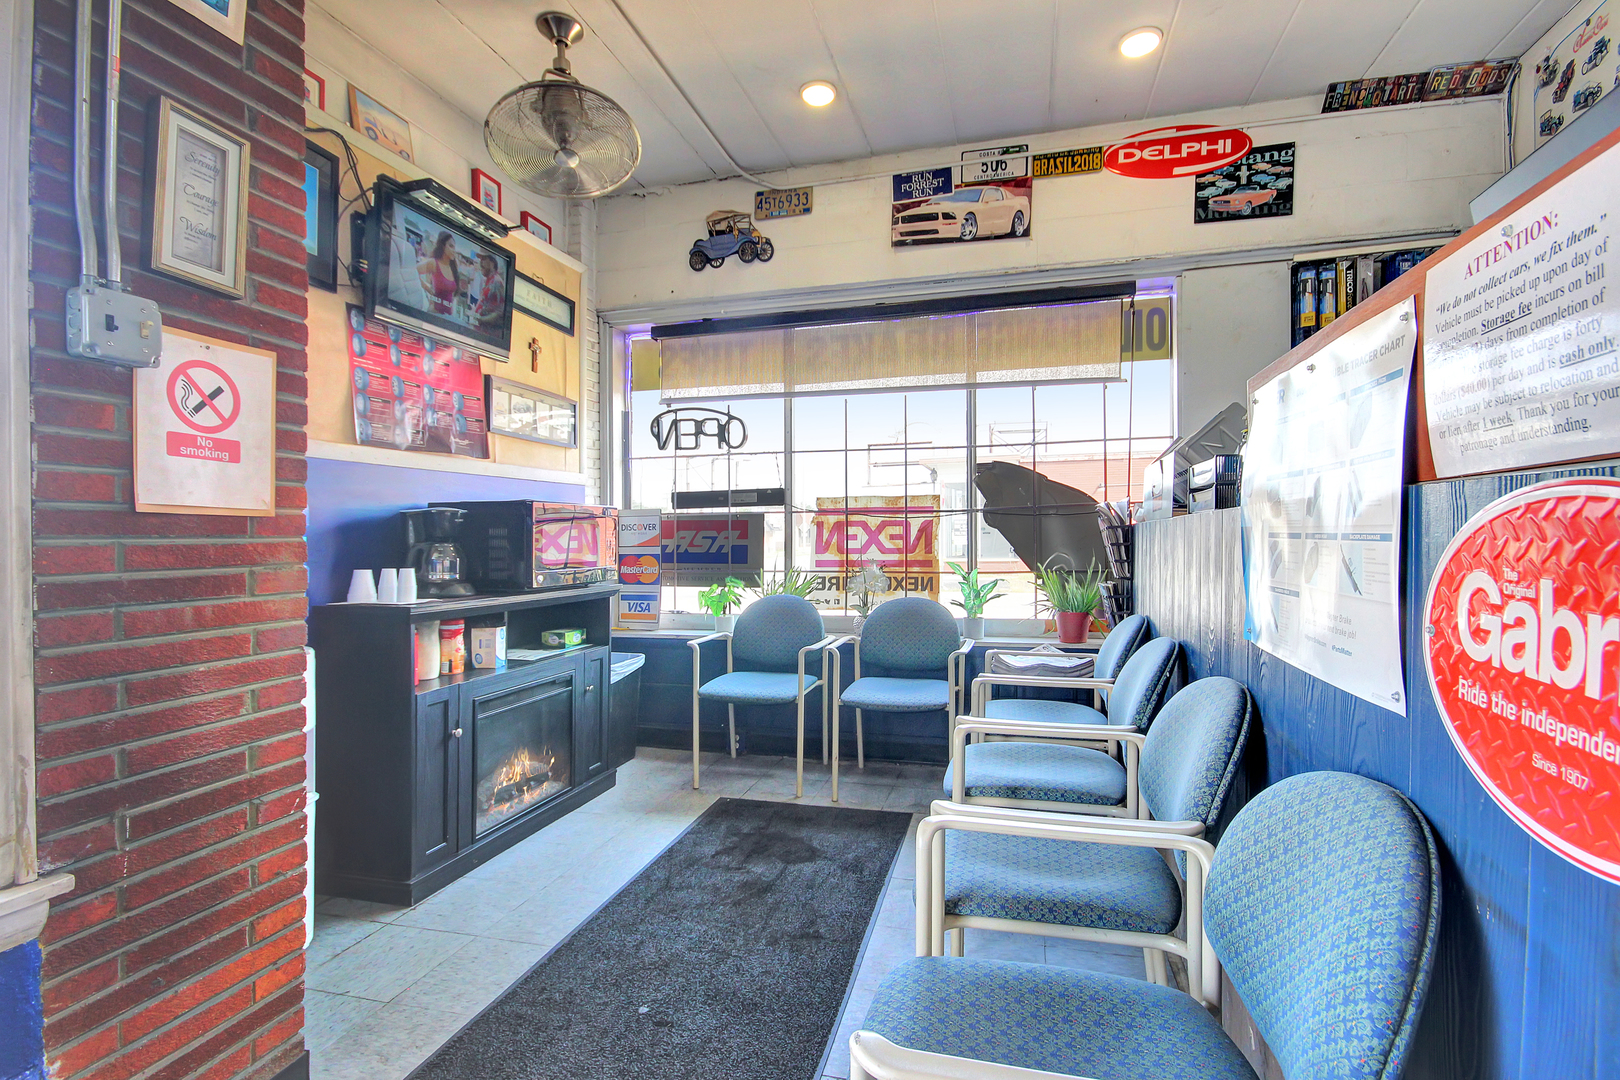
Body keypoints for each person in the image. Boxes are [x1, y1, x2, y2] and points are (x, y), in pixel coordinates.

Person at [418, 232, 460, 315]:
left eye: (454, 247)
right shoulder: (434, 263)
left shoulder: (453, 267)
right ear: (443, 246)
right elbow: (412, 270)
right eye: (451, 246)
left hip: (448, 317)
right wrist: (427, 288)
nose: (453, 250)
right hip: (434, 314)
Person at [470, 252, 505, 327]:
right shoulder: (488, 280)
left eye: (484, 259)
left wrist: (481, 320)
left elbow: (500, 312)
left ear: (492, 263)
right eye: (480, 259)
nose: (481, 262)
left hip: (487, 330)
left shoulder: (497, 282)